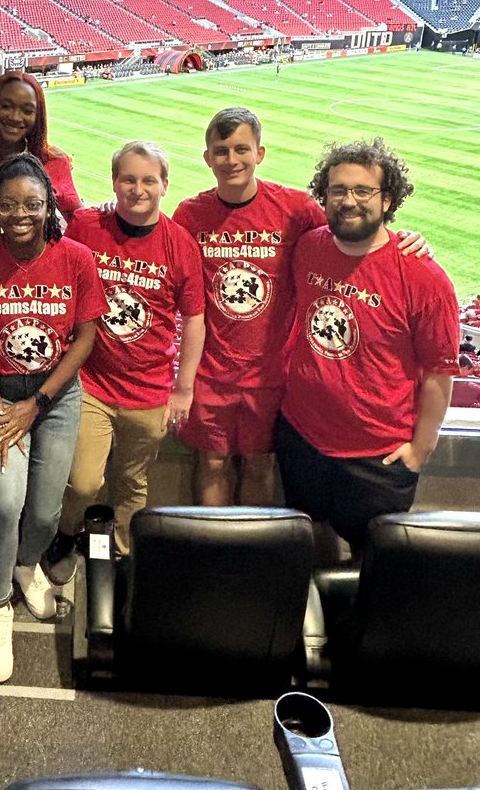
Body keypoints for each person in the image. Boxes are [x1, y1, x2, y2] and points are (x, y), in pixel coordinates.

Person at [172, 107, 429, 507]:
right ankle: (212, 555)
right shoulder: (189, 214)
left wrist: (404, 238)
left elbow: (351, 235)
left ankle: (253, 555)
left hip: (273, 372)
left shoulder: (295, 209)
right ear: (207, 158)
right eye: (221, 151)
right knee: (213, 462)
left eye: (242, 148)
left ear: (260, 153)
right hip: (211, 371)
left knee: (259, 466)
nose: (232, 160)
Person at [0, 153, 106, 684]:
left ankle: (26, 564)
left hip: (54, 398)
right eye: (9, 204)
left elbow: (84, 339)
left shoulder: (77, 259)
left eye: (32, 204)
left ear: (49, 206)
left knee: (44, 510)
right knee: (4, 501)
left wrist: (35, 405)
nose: (21, 214)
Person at [275, 138, 459, 551]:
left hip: (377, 453)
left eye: (363, 190)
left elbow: (439, 372)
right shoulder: (308, 247)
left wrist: (420, 449)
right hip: (302, 435)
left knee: (374, 562)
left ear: (388, 199)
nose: (348, 200)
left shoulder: (424, 276)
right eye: (338, 190)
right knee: (311, 540)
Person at [47, 141, 205, 572]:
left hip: (150, 389)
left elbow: (194, 319)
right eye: (128, 179)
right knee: (83, 482)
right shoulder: (86, 225)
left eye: (148, 180)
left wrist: (183, 389)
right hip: (91, 383)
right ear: (114, 182)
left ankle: (123, 552)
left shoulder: (180, 245)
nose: (138, 189)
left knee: (133, 482)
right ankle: (66, 532)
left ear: (165, 185)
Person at [0, 72, 82, 243]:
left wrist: (114, 211)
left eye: (27, 110)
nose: (15, 117)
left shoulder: (53, 163)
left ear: (38, 116)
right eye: (6, 106)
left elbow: (80, 222)